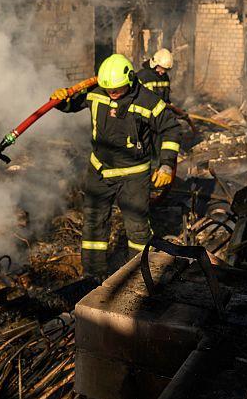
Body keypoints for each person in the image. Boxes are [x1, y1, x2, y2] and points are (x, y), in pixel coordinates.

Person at [50, 54, 182, 278]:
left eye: (117, 89)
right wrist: (61, 99)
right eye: (108, 89)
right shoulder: (97, 92)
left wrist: (167, 165)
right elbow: (72, 104)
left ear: (130, 80)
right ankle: (93, 275)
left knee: (137, 228)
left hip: (134, 175)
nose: (112, 94)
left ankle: (137, 276)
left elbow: (171, 128)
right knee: (93, 223)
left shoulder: (148, 101)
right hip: (99, 171)